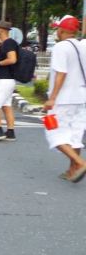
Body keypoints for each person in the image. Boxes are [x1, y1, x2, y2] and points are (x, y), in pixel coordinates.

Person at [43, 15, 86, 183]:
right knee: (75, 135)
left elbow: (61, 73)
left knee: (54, 133)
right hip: (81, 98)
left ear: (61, 30)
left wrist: (52, 98)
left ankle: (80, 163)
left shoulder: (61, 47)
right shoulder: (83, 46)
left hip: (63, 99)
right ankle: (72, 170)